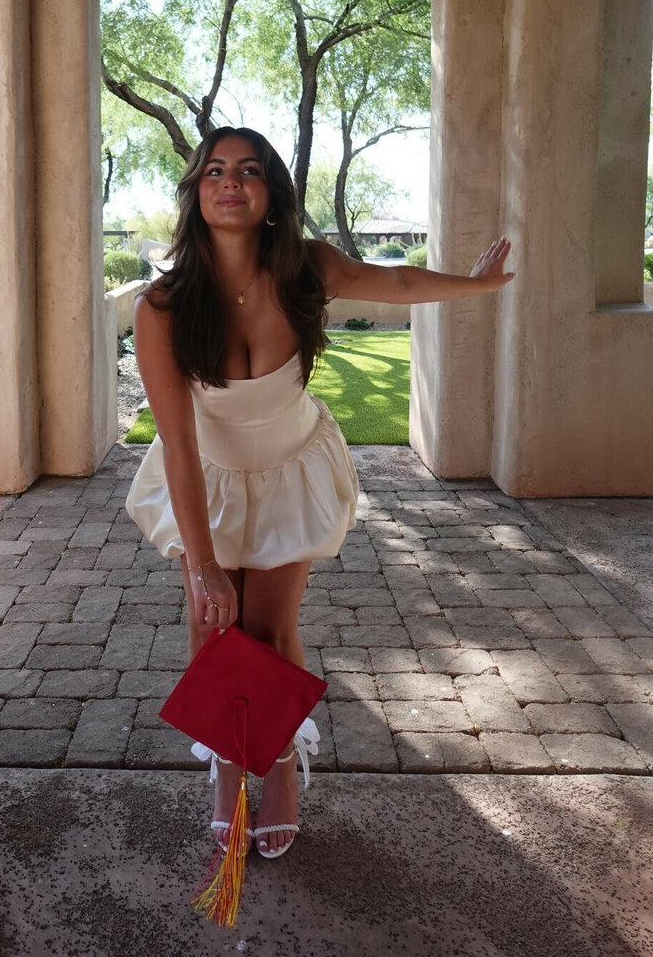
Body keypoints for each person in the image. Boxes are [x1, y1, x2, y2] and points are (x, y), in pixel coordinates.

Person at [125, 126, 515, 859]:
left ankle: (277, 761)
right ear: (196, 192)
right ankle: (226, 763)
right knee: (213, 628)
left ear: (271, 193)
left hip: (289, 468)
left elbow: (395, 284)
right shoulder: (164, 305)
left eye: (248, 170)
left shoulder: (307, 270)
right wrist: (203, 564)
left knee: (268, 631)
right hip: (207, 476)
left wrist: (478, 285)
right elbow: (177, 441)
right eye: (214, 170)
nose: (230, 182)